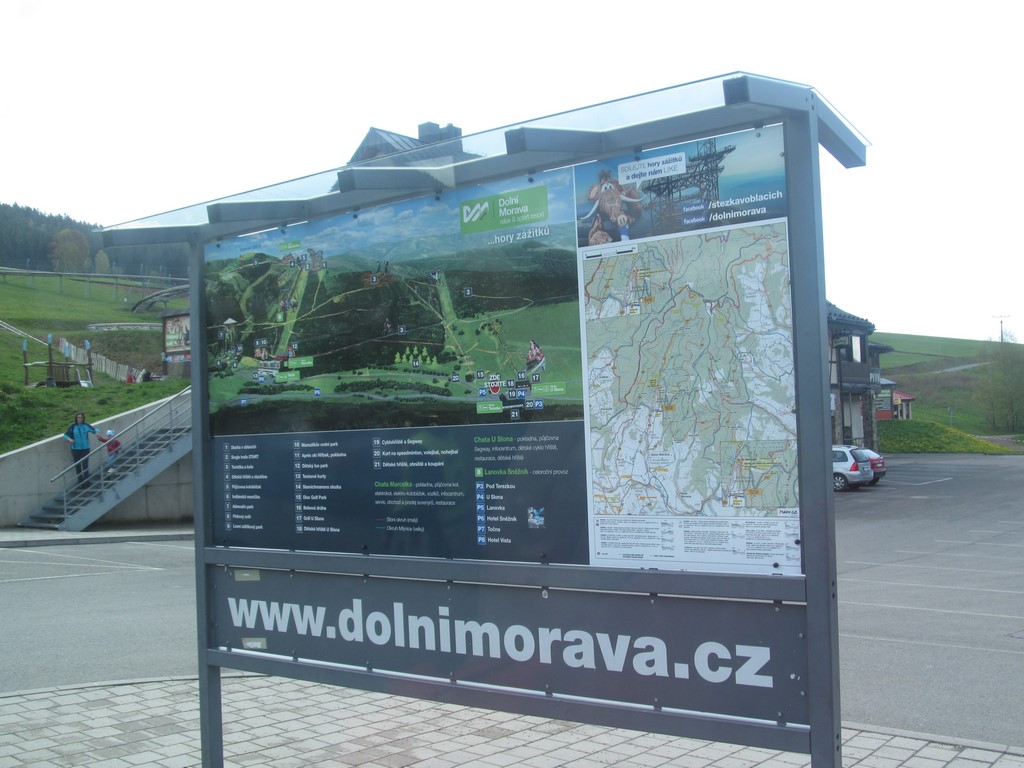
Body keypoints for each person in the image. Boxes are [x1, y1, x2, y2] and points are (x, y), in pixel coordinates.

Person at [64, 412, 99, 485]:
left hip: (85, 448)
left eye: (81, 417)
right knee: (78, 466)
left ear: (83, 418)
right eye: (78, 417)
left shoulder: (86, 425)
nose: (80, 419)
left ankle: (87, 482)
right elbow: (66, 435)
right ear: (76, 418)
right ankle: (80, 483)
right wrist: (69, 439)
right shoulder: (72, 426)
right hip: (75, 449)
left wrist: (97, 433)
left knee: (85, 465)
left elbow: (94, 430)